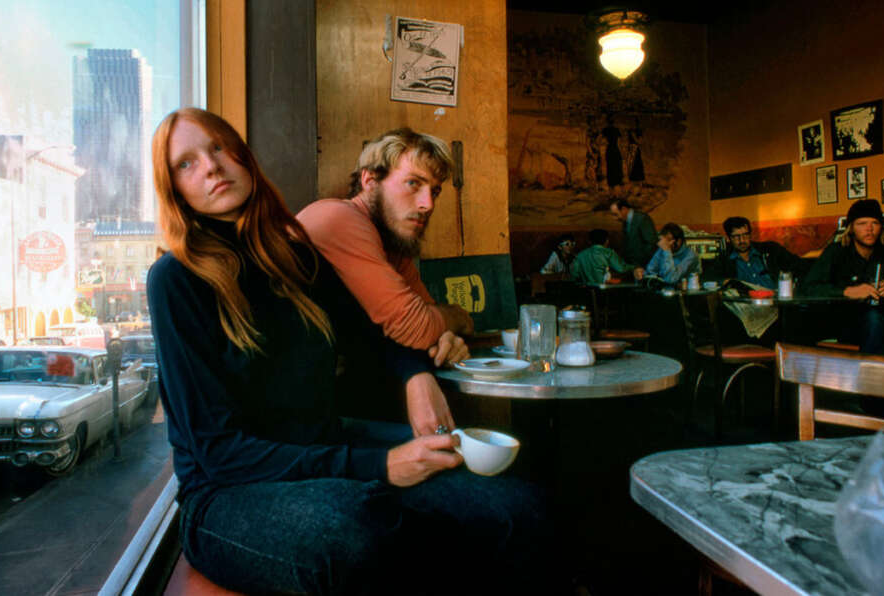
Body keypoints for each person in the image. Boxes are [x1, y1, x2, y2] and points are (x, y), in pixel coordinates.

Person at [147, 108, 560, 595]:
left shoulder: (295, 256)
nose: (212, 167)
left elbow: (374, 333)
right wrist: (381, 467)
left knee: (513, 498)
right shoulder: (176, 280)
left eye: (218, 147)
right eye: (186, 164)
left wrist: (416, 379)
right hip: (227, 493)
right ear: (174, 190)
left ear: (243, 156)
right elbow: (218, 453)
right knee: (355, 535)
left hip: (322, 445)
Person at [297, 128, 472, 428]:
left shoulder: (394, 245)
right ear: (370, 180)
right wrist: (458, 316)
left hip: (331, 401)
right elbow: (417, 327)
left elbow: (428, 327)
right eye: (413, 184)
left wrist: (447, 338)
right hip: (275, 422)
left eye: (435, 190)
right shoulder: (339, 217)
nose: (427, 204)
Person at [802, 199, 884, 354]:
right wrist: (847, 291)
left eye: (875, 223)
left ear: (881, 227)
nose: (869, 229)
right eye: (862, 223)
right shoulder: (836, 252)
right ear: (851, 228)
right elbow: (809, 288)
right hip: (845, 324)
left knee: (877, 320)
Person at [707, 216, 803, 289]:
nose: (742, 240)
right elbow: (708, 278)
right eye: (736, 237)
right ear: (728, 238)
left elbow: (798, 265)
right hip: (745, 306)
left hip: (775, 301)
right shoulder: (724, 259)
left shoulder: (770, 249)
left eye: (745, 235)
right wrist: (724, 281)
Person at [570, 229, 635, 285]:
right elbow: (621, 269)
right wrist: (634, 267)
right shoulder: (608, 253)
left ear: (590, 241)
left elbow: (574, 273)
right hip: (604, 289)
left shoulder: (581, 255)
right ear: (607, 240)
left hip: (587, 290)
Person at [609, 198, 658, 268]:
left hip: (643, 267)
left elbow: (651, 244)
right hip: (631, 266)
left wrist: (640, 265)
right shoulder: (625, 221)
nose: (615, 218)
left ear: (624, 209)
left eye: (615, 214)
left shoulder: (642, 219)